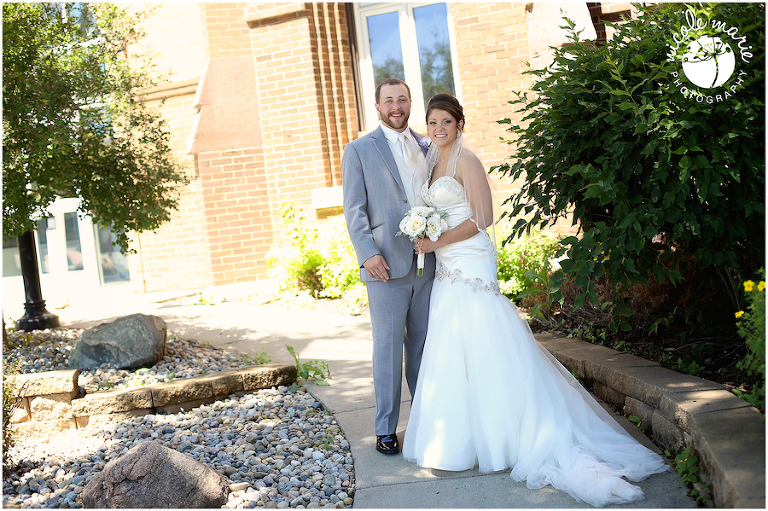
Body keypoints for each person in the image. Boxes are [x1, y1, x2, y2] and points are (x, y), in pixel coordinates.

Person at [401, 93, 670, 507]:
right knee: (453, 341)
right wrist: (428, 238)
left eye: (446, 123)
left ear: (459, 124)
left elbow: (483, 218)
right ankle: (460, 436)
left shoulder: (466, 161)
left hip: (469, 259)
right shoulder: (432, 161)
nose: (438, 130)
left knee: (485, 333)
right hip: (446, 263)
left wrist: (434, 240)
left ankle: (512, 433)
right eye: (432, 122)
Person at [342, 78, 435, 455]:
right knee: (388, 350)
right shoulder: (359, 150)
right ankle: (385, 428)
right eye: (389, 100)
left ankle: (427, 421)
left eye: (403, 99)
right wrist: (367, 254)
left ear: (410, 103)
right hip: (384, 265)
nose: (397, 106)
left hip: (428, 265)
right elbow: (354, 209)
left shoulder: (428, 144)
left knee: (425, 348)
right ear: (378, 106)